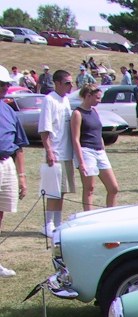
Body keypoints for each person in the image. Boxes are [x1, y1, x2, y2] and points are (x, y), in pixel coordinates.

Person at [38, 69, 75, 238]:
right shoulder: (49, 100)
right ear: (58, 83)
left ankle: (58, 223)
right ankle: (47, 224)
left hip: (66, 152)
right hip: (55, 151)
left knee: (63, 190)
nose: (70, 85)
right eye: (67, 82)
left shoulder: (66, 100)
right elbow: (45, 128)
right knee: (53, 190)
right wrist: (49, 150)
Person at [71, 85, 119, 211]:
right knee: (89, 188)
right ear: (88, 96)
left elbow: (98, 132)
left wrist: (102, 148)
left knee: (113, 188)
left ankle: (111, 215)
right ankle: (88, 217)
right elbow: (75, 139)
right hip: (86, 151)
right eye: (97, 98)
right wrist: (81, 162)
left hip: (99, 151)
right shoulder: (77, 113)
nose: (99, 100)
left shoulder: (94, 111)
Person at [0, 66, 28, 277]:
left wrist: (22, 176)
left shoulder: (9, 110)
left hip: (6, 163)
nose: (5, 88)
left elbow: (18, 146)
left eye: (6, 85)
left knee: (1, 213)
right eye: (1, 85)